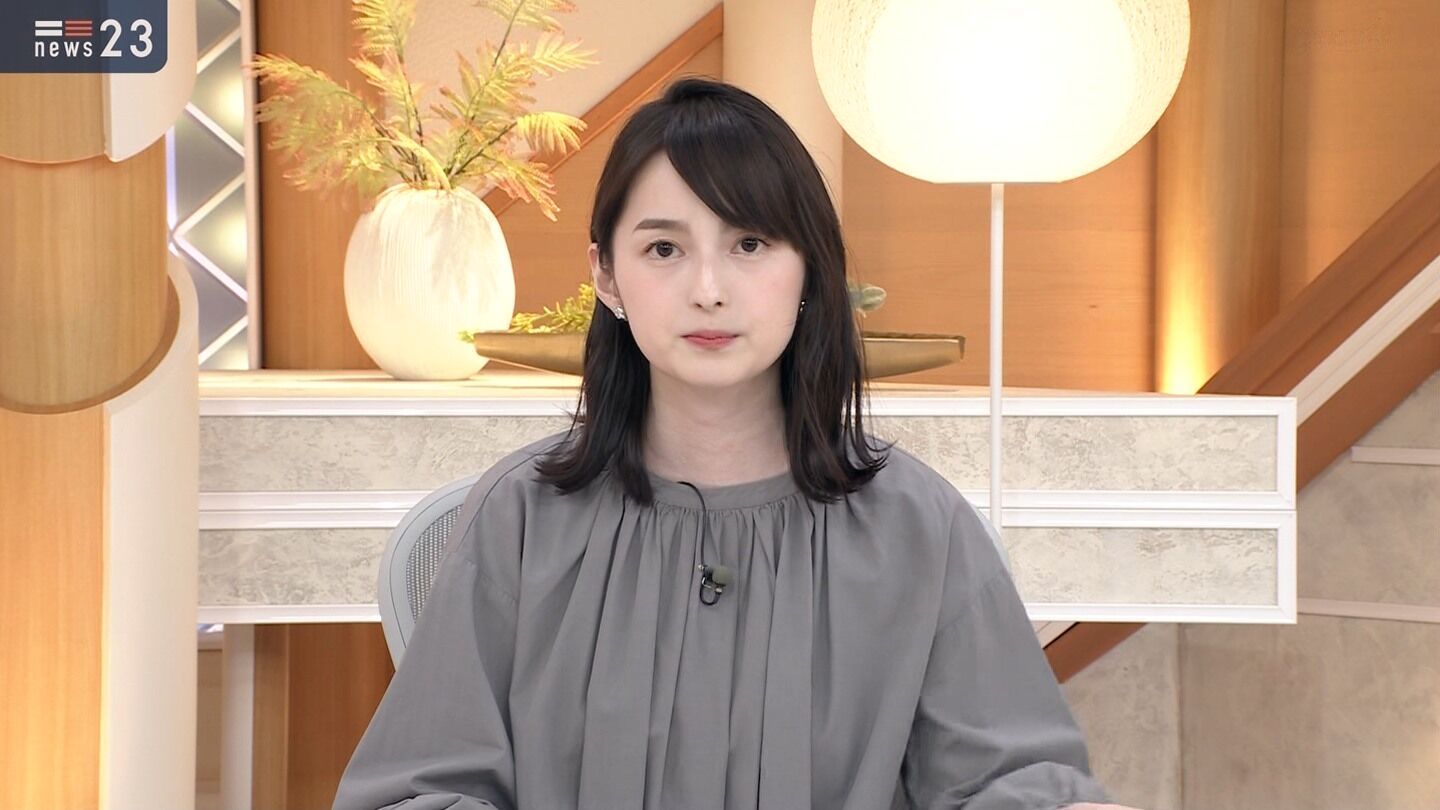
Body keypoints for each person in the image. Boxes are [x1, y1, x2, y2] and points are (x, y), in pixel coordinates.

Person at [332, 77, 1135, 810]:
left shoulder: (920, 526)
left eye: (749, 244)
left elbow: (1008, 782)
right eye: (664, 249)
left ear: (811, 269)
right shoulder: (520, 518)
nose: (709, 289)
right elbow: (423, 789)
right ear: (606, 276)